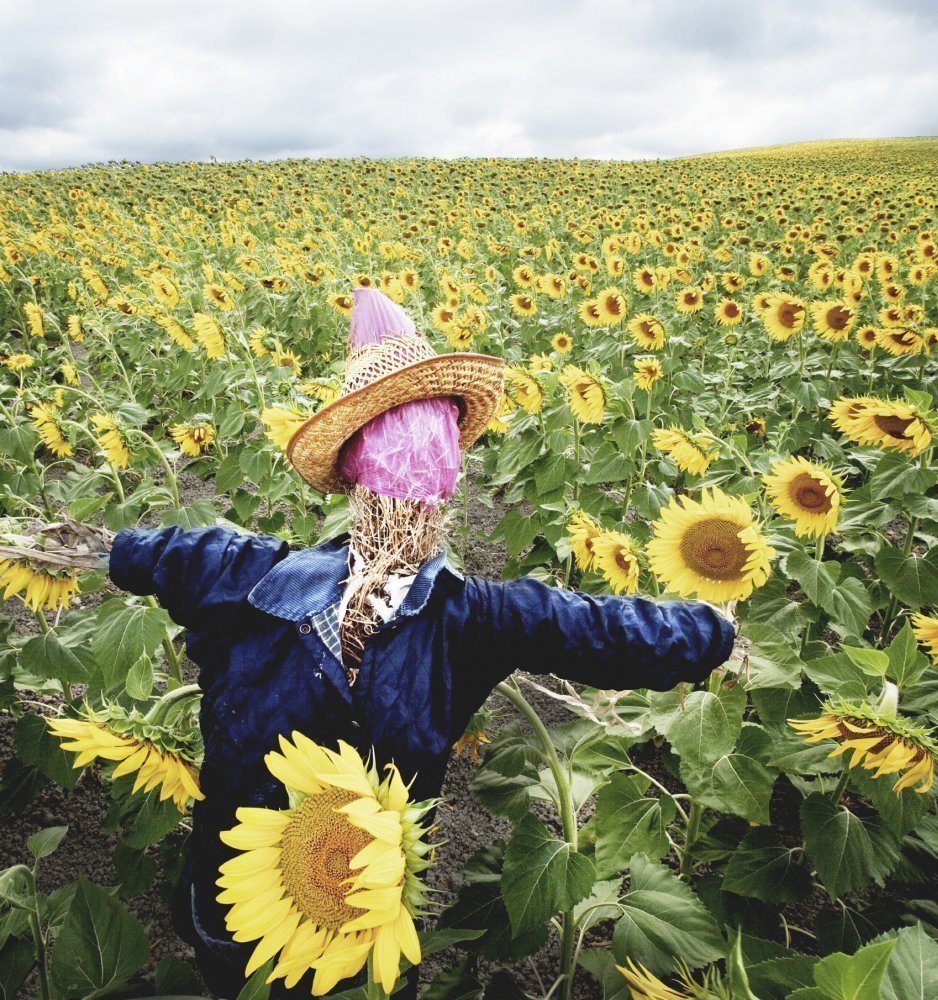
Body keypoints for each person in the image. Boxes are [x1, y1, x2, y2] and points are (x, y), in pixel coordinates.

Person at [81, 288, 736, 997]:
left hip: (367, 924)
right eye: (396, 437)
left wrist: (717, 634)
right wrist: (65, 546)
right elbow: (128, 551)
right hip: (237, 901)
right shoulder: (241, 577)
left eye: (432, 437)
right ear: (354, 464)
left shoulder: (471, 619)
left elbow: (601, 629)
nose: (416, 461)